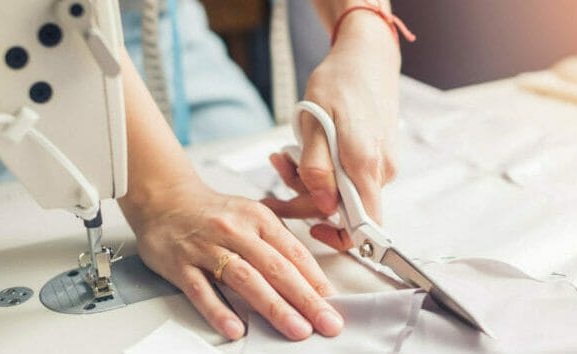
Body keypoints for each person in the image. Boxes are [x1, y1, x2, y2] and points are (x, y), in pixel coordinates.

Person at [115, 0, 407, 342]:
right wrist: (165, 197)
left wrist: (366, 30)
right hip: (57, 52)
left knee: (246, 152)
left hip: (173, 30)